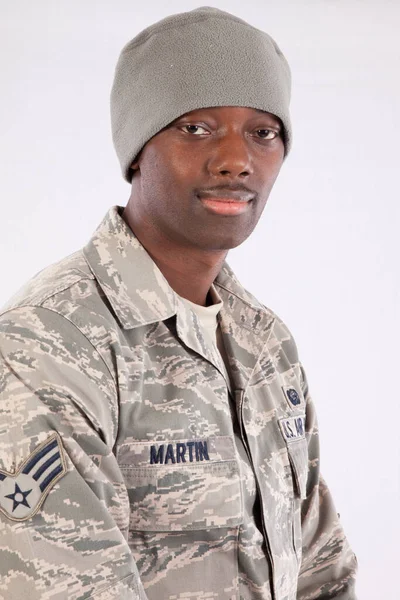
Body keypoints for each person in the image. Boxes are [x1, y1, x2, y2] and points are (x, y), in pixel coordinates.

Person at [0, 6, 357, 599]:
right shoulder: (50, 345)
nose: (236, 160)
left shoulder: (264, 341)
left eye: (263, 133)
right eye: (197, 128)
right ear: (138, 150)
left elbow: (321, 567)